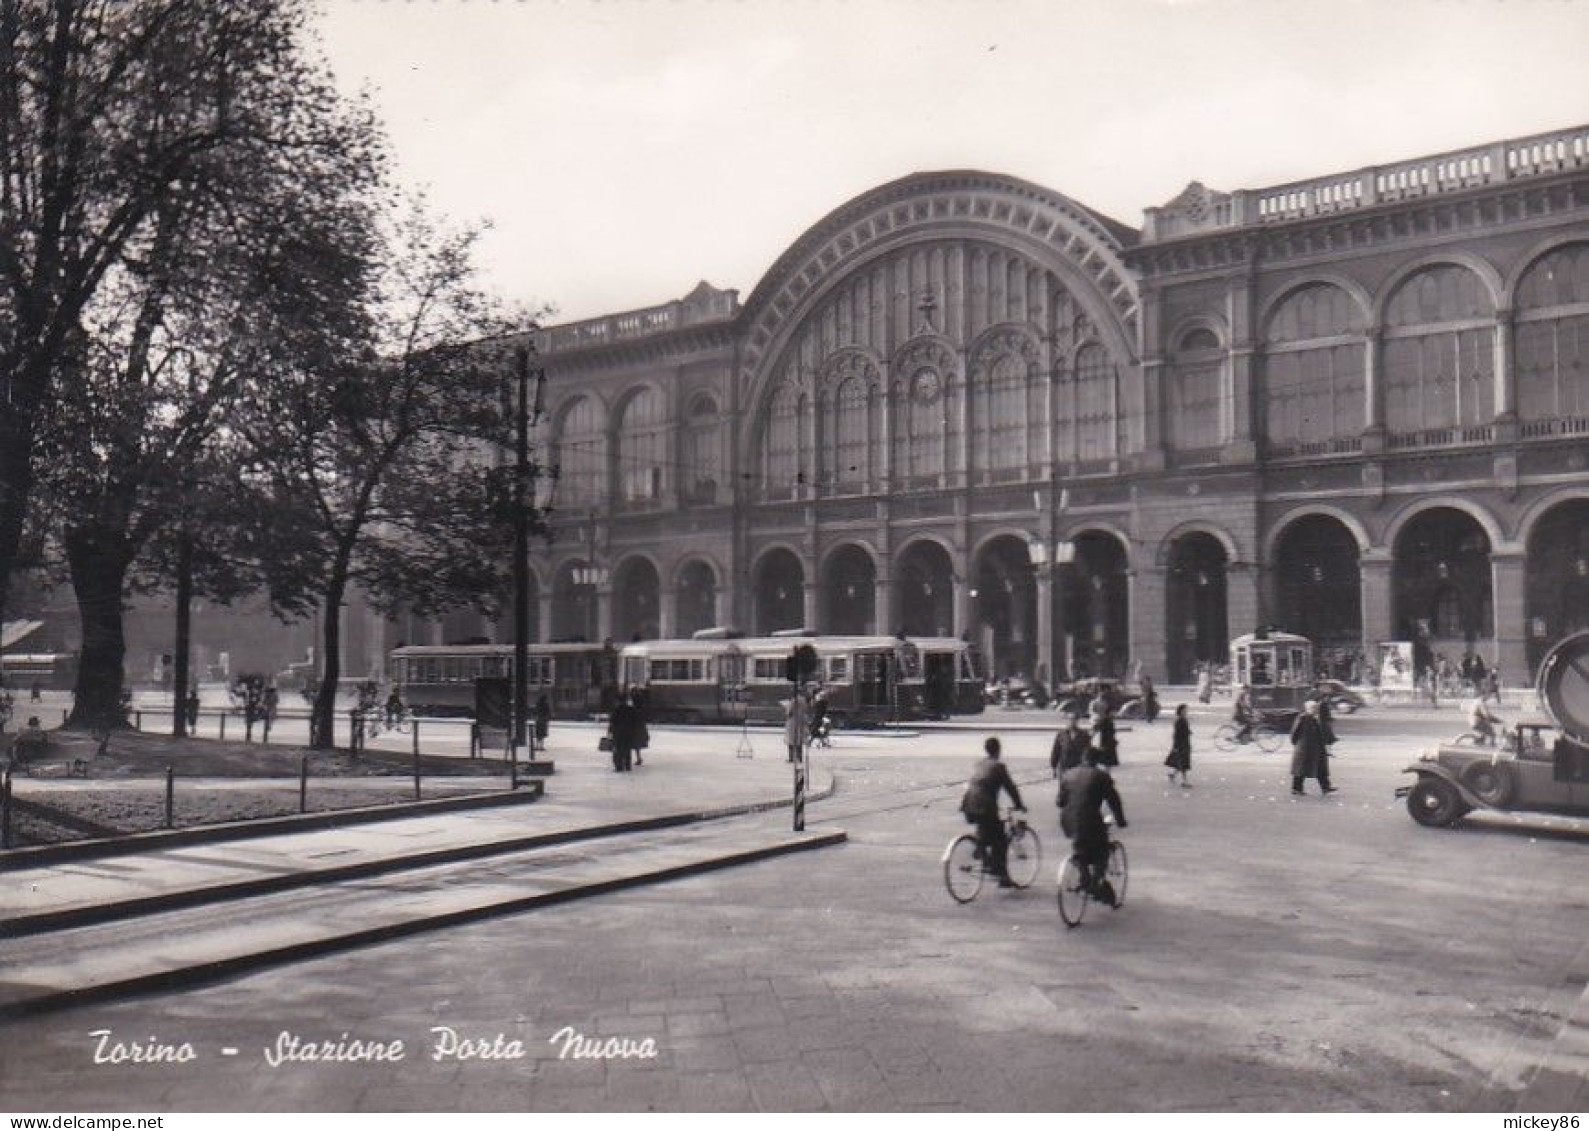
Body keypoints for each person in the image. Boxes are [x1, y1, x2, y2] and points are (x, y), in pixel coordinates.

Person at [1058, 745, 1128, 904]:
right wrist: (1121, 820)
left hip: (1068, 822)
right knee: (1102, 850)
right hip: (1090, 821)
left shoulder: (1068, 774)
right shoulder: (1101, 776)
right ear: (1097, 761)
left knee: (1081, 847)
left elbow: (1060, 801)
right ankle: (1096, 883)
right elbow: (1113, 800)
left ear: (1083, 758)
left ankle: (1084, 876)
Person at [959, 737, 1026, 888]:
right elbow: (1010, 788)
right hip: (985, 806)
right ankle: (1001, 875)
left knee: (986, 832)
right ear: (999, 751)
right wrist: (1019, 805)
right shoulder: (999, 766)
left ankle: (984, 854)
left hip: (968, 804)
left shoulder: (979, 764)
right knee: (1000, 839)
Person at [1289, 699, 1335, 796]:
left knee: (1319, 768)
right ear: (1308, 708)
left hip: (1315, 748)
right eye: (1314, 708)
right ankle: (1296, 788)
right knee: (1301, 770)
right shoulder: (1303, 718)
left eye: (1316, 708)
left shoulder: (1314, 718)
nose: (1316, 709)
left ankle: (1326, 787)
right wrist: (1296, 743)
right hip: (1305, 748)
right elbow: (1295, 732)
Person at [1164, 703, 1192, 787]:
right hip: (1181, 744)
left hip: (1185, 743)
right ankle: (1184, 781)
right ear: (1180, 711)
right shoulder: (1179, 721)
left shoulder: (1184, 719)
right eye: (1185, 710)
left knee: (1181, 762)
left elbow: (1185, 731)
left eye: (1186, 710)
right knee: (1183, 763)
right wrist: (1175, 746)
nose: (1186, 711)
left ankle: (1172, 775)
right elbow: (1176, 734)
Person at [609, 694, 636, 772]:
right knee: (627, 749)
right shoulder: (630, 710)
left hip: (618, 732)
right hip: (628, 732)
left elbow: (613, 722)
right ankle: (627, 765)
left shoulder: (616, 710)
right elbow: (634, 721)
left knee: (618, 749)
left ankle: (619, 766)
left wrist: (610, 731)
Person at [783, 691, 809, 764]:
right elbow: (806, 709)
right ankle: (800, 757)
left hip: (792, 722)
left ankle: (791, 758)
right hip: (801, 721)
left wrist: (786, 707)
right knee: (799, 740)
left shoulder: (793, 701)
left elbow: (789, 712)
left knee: (790, 740)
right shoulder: (803, 700)